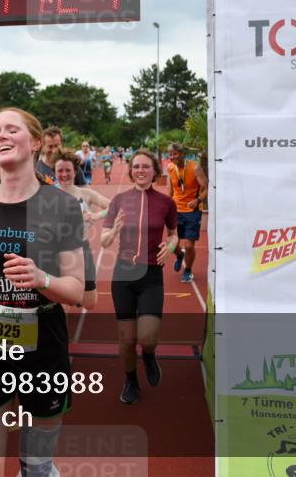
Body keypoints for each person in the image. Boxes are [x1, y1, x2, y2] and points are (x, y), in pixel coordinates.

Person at [0, 108, 85, 477]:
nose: (0, 136)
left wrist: (42, 279)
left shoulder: (62, 205)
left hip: (45, 338)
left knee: (36, 469)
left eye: (12, 129)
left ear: (36, 142)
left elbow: (76, 289)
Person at [101, 149, 178, 405]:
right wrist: (114, 230)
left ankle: (149, 354)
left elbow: (174, 233)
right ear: (131, 170)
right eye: (136, 166)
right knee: (127, 339)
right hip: (123, 275)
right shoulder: (119, 200)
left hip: (151, 275)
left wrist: (171, 246)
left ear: (155, 171)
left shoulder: (166, 203)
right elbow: (104, 240)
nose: (140, 170)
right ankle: (131, 379)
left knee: (147, 338)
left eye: (146, 166)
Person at [53, 150, 110, 310]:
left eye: (68, 170)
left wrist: (96, 215)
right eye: (60, 171)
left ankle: (73, 296)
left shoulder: (85, 194)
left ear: (75, 171)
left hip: (81, 248)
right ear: (54, 172)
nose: (64, 174)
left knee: (89, 303)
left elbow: (114, 206)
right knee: (63, 301)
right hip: (56, 250)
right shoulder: (47, 195)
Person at [162, 143, 207, 283]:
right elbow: (170, 190)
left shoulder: (195, 168)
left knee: (189, 245)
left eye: (175, 154)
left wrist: (197, 200)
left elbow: (206, 188)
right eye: (170, 154)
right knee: (172, 243)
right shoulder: (170, 168)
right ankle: (179, 255)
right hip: (176, 210)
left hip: (192, 211)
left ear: (182, 154)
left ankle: (187, 270)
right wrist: (166, 206)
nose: (172, 157)